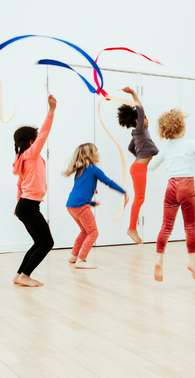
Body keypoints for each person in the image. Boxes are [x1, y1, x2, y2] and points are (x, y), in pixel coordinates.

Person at [149, 109, 195, 282]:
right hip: (186, 186)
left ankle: (158, 259)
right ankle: (192, 262)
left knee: (166, 226)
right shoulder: (189, 143)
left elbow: (152, 166)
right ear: (181, 127)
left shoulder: (166, 148)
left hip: (170, 187)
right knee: (190, 227)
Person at [13, 95, 57, 287]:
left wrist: (17, 206)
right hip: (29, 206)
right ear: (32, 142)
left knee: (39, 242)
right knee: (47, 243)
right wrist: (52, 110)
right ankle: (25, 276)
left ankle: (19, 275)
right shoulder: (30, 155)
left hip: (26, 205)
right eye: (36, 138)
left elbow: (19, 184)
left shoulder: (23, 157)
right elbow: (44, 133)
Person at [63, 143, 128, 269]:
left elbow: (79, 191)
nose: (98, 154)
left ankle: (74, 256)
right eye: (96, 151)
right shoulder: (93, 169)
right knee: (93, 232)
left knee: (84, 230)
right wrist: (123, 192)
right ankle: (81, 260)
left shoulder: (80, 171)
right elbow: (108, 182)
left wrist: (92, 203)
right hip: (80, 206)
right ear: (89, 155)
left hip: (71, 205)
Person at [117, 87, 159, 244]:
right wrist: (133, 94)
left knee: (140, 198)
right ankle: (132, 228)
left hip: (139, 167)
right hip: (139, 168)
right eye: (144, 118)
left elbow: (130, 148)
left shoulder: (140, 133)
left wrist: (141, 157)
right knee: (139, 198)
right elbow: (140, 111)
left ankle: (132, 228)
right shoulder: (140, 130)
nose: (147, 120)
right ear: (138, 121)